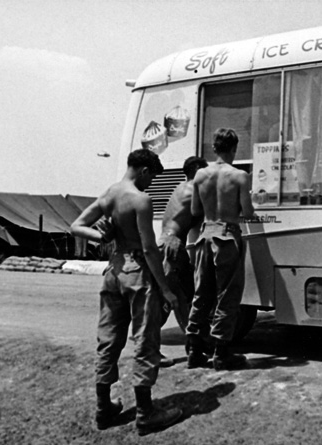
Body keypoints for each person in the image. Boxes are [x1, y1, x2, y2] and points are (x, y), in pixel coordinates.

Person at [71, 149, 182, 435]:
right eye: (152, 177)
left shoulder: (110, 193)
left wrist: (101, 236)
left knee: (108, 340)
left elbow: (76, 226)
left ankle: (103, 409)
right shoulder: (140, 199)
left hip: (113, 271)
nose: (151, 183)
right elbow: (148, 249)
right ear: (143, 170)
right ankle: (146, 413)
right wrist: (165, 289)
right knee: (145, 340)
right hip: (137, 273)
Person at [185, 128, 256, 371]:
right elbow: (247, 213)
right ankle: (221, 353)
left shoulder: (200, 175)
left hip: (205, 235)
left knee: (201, 294)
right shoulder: (239, 176)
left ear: (214, 149)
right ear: (234, 149)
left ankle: (194, 350)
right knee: (227, 296)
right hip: (227, 236)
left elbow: (195, 211)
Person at [158, 156, 208, 334]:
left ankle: (194, 342)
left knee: (178, 295)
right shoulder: (193, 188)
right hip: (173, 244)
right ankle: (148, 345)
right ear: (196, 169)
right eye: (204, 170)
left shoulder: (179, 187)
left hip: (167, 243)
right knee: (179, 296)